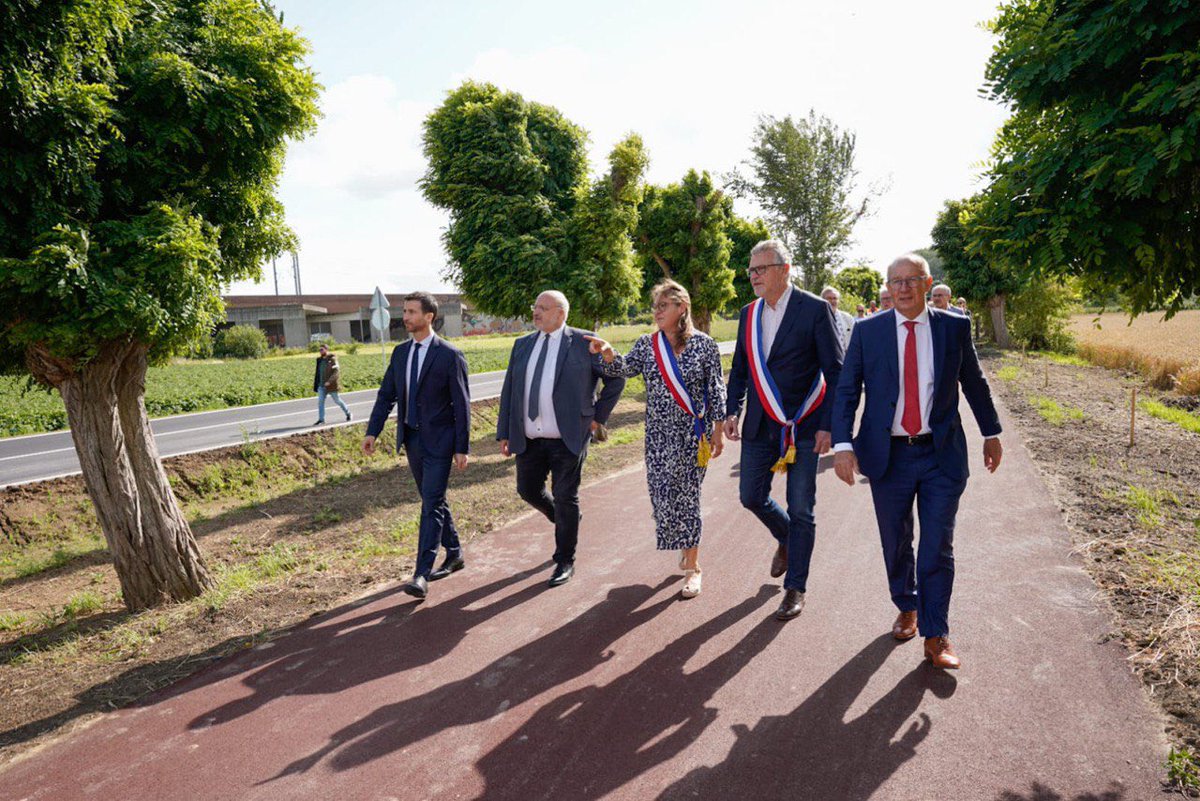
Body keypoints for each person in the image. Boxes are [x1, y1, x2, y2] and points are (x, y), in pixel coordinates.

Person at [831, 253, 1003, 669]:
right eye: (896, 281)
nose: (903, 287)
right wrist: (842, 444)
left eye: (912, 280)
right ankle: (906, 605)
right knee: (896, 542)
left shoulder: (953, 327)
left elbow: (974, 382)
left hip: (940, 455)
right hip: (887, 455)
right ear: (887, 288)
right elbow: (847, 388)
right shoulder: (868, 331)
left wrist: (991, 432)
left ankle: (936, 633)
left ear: (928, 284)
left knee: (936, 547)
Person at [583, 281, 727, 599]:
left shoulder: (704, 345)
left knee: (688, 498)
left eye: (664, 305)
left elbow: (716, 387)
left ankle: (693, 568)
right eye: (655, 306)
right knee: (664, 498)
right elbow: (624, 369)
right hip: (658, 437)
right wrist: (608, 354)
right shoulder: (647, 345)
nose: (657, 311)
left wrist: (718, 429)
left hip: (694, 435)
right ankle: (686, 546)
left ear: (682, 308)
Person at [724, 240, 843, 621]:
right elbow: (741, 368)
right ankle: (786, 538)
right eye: (751, 270)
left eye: (761, 269)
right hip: (760, 423)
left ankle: (796, 588)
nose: (754, 276)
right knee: (750, 496)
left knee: (802, 509)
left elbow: (836, 373)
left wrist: (829, 425)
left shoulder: (815, 309)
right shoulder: (749, 313)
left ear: (784, 269)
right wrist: (731, 410)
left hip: (806, 426)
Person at [496, 291, 625, 587]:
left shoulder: (584, 342)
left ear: (561, 314)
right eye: (535, 306)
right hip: (529, 436)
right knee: (527, 489)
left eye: (543, 308)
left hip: (570, 435)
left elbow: (616, 378)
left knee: (567, 496)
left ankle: (565, 559)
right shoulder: (522, 344)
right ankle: (566, 521)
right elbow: (510, 389)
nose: (536, 312)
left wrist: (598, 417)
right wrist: (504, 431)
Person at [363, 292, 471, 601]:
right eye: (405, 311)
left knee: (431, 503)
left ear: (429, 317)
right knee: (432, 497)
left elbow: (461, 405)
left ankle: (421, 573)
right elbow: (386, 396)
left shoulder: (450, 355)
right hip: (411, 439)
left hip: (441, 441)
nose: (406, 317)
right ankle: (455, 552)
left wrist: (462, 446)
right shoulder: (400, 354)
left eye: (411, 312)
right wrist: (373, 431)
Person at [313, 344, 351, 426]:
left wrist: (329, 381)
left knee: (337, 400)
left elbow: (336, 372)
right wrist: (317, 384)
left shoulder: (332, 360)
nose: (320, 351)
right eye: (319, 350)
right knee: (320, 402)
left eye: (322, 349)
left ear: (326, 349)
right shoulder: (319, 360)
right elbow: (318, 373)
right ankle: (321, 419)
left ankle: (348, 413)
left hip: (331, 385)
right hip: (321, 386)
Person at [821, 286, 856, 352]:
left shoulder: (847, 318)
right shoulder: (816, 317)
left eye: (835, 298)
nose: (832, 301)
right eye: (829, 298)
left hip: (845, 358)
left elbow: (855, 339)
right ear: (822, 300)